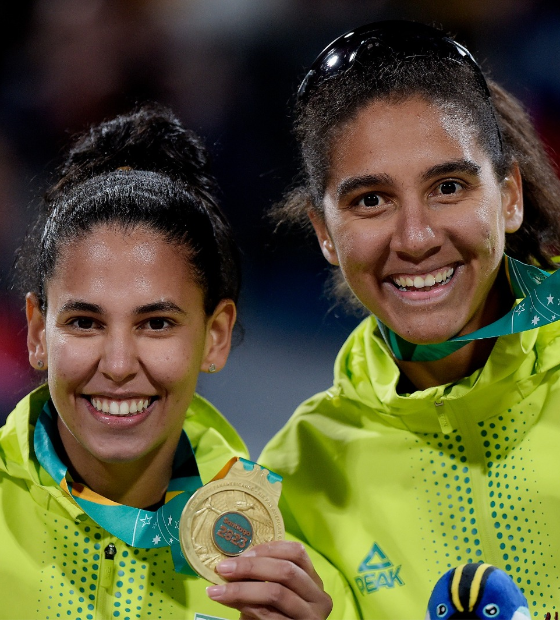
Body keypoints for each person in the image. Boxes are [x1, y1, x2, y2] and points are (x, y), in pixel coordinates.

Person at [1, 102, 355, 620]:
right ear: (37, 333)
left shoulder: (290, 563)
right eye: (85, 322)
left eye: (156, 323)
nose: (119, 364)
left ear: (215, 336)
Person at [259, 19, 560, 620]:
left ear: (509, 198)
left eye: (448, 186)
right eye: (370, 200)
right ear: (324, 233)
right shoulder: (297, 479)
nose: (416, 238)